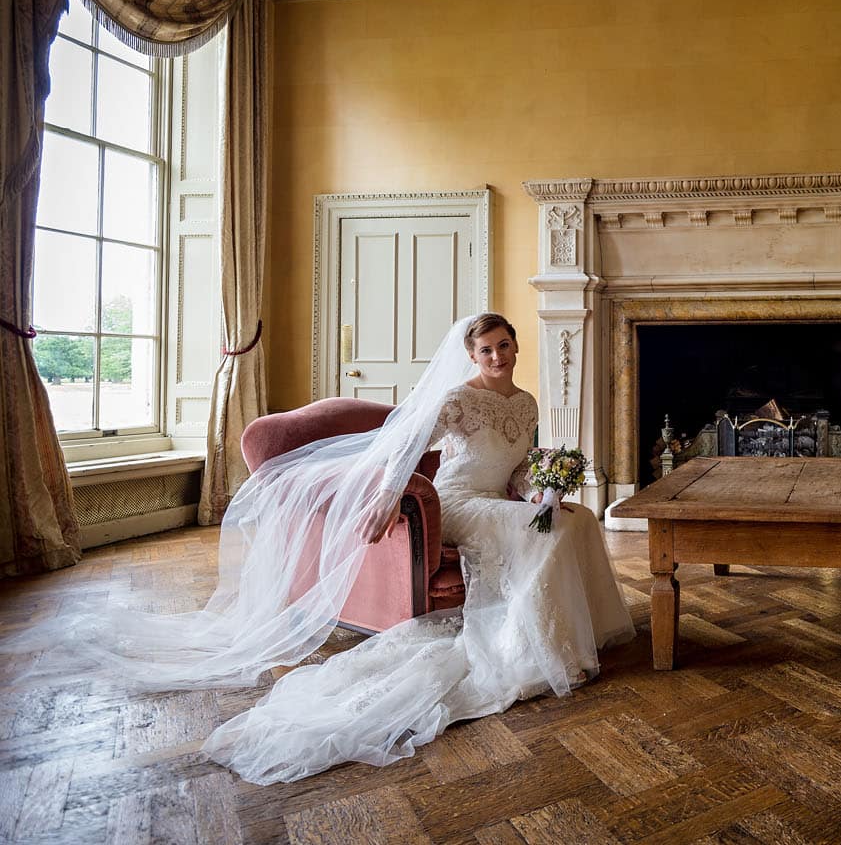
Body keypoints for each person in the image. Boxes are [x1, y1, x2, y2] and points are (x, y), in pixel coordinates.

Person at [9, 313, 634, 784]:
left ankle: (561, 635)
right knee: (544, 536)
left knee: (572, 521)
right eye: (486, 348)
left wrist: (541, 492)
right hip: (461, 502)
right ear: (471, 354)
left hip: (500, 499)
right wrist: (386, 496)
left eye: (504, 346)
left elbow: (520, 468)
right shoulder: (455, 399)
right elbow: (405, 445)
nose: (497, 355)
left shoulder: (524, 403)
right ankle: (532, 649)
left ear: (518, 348)